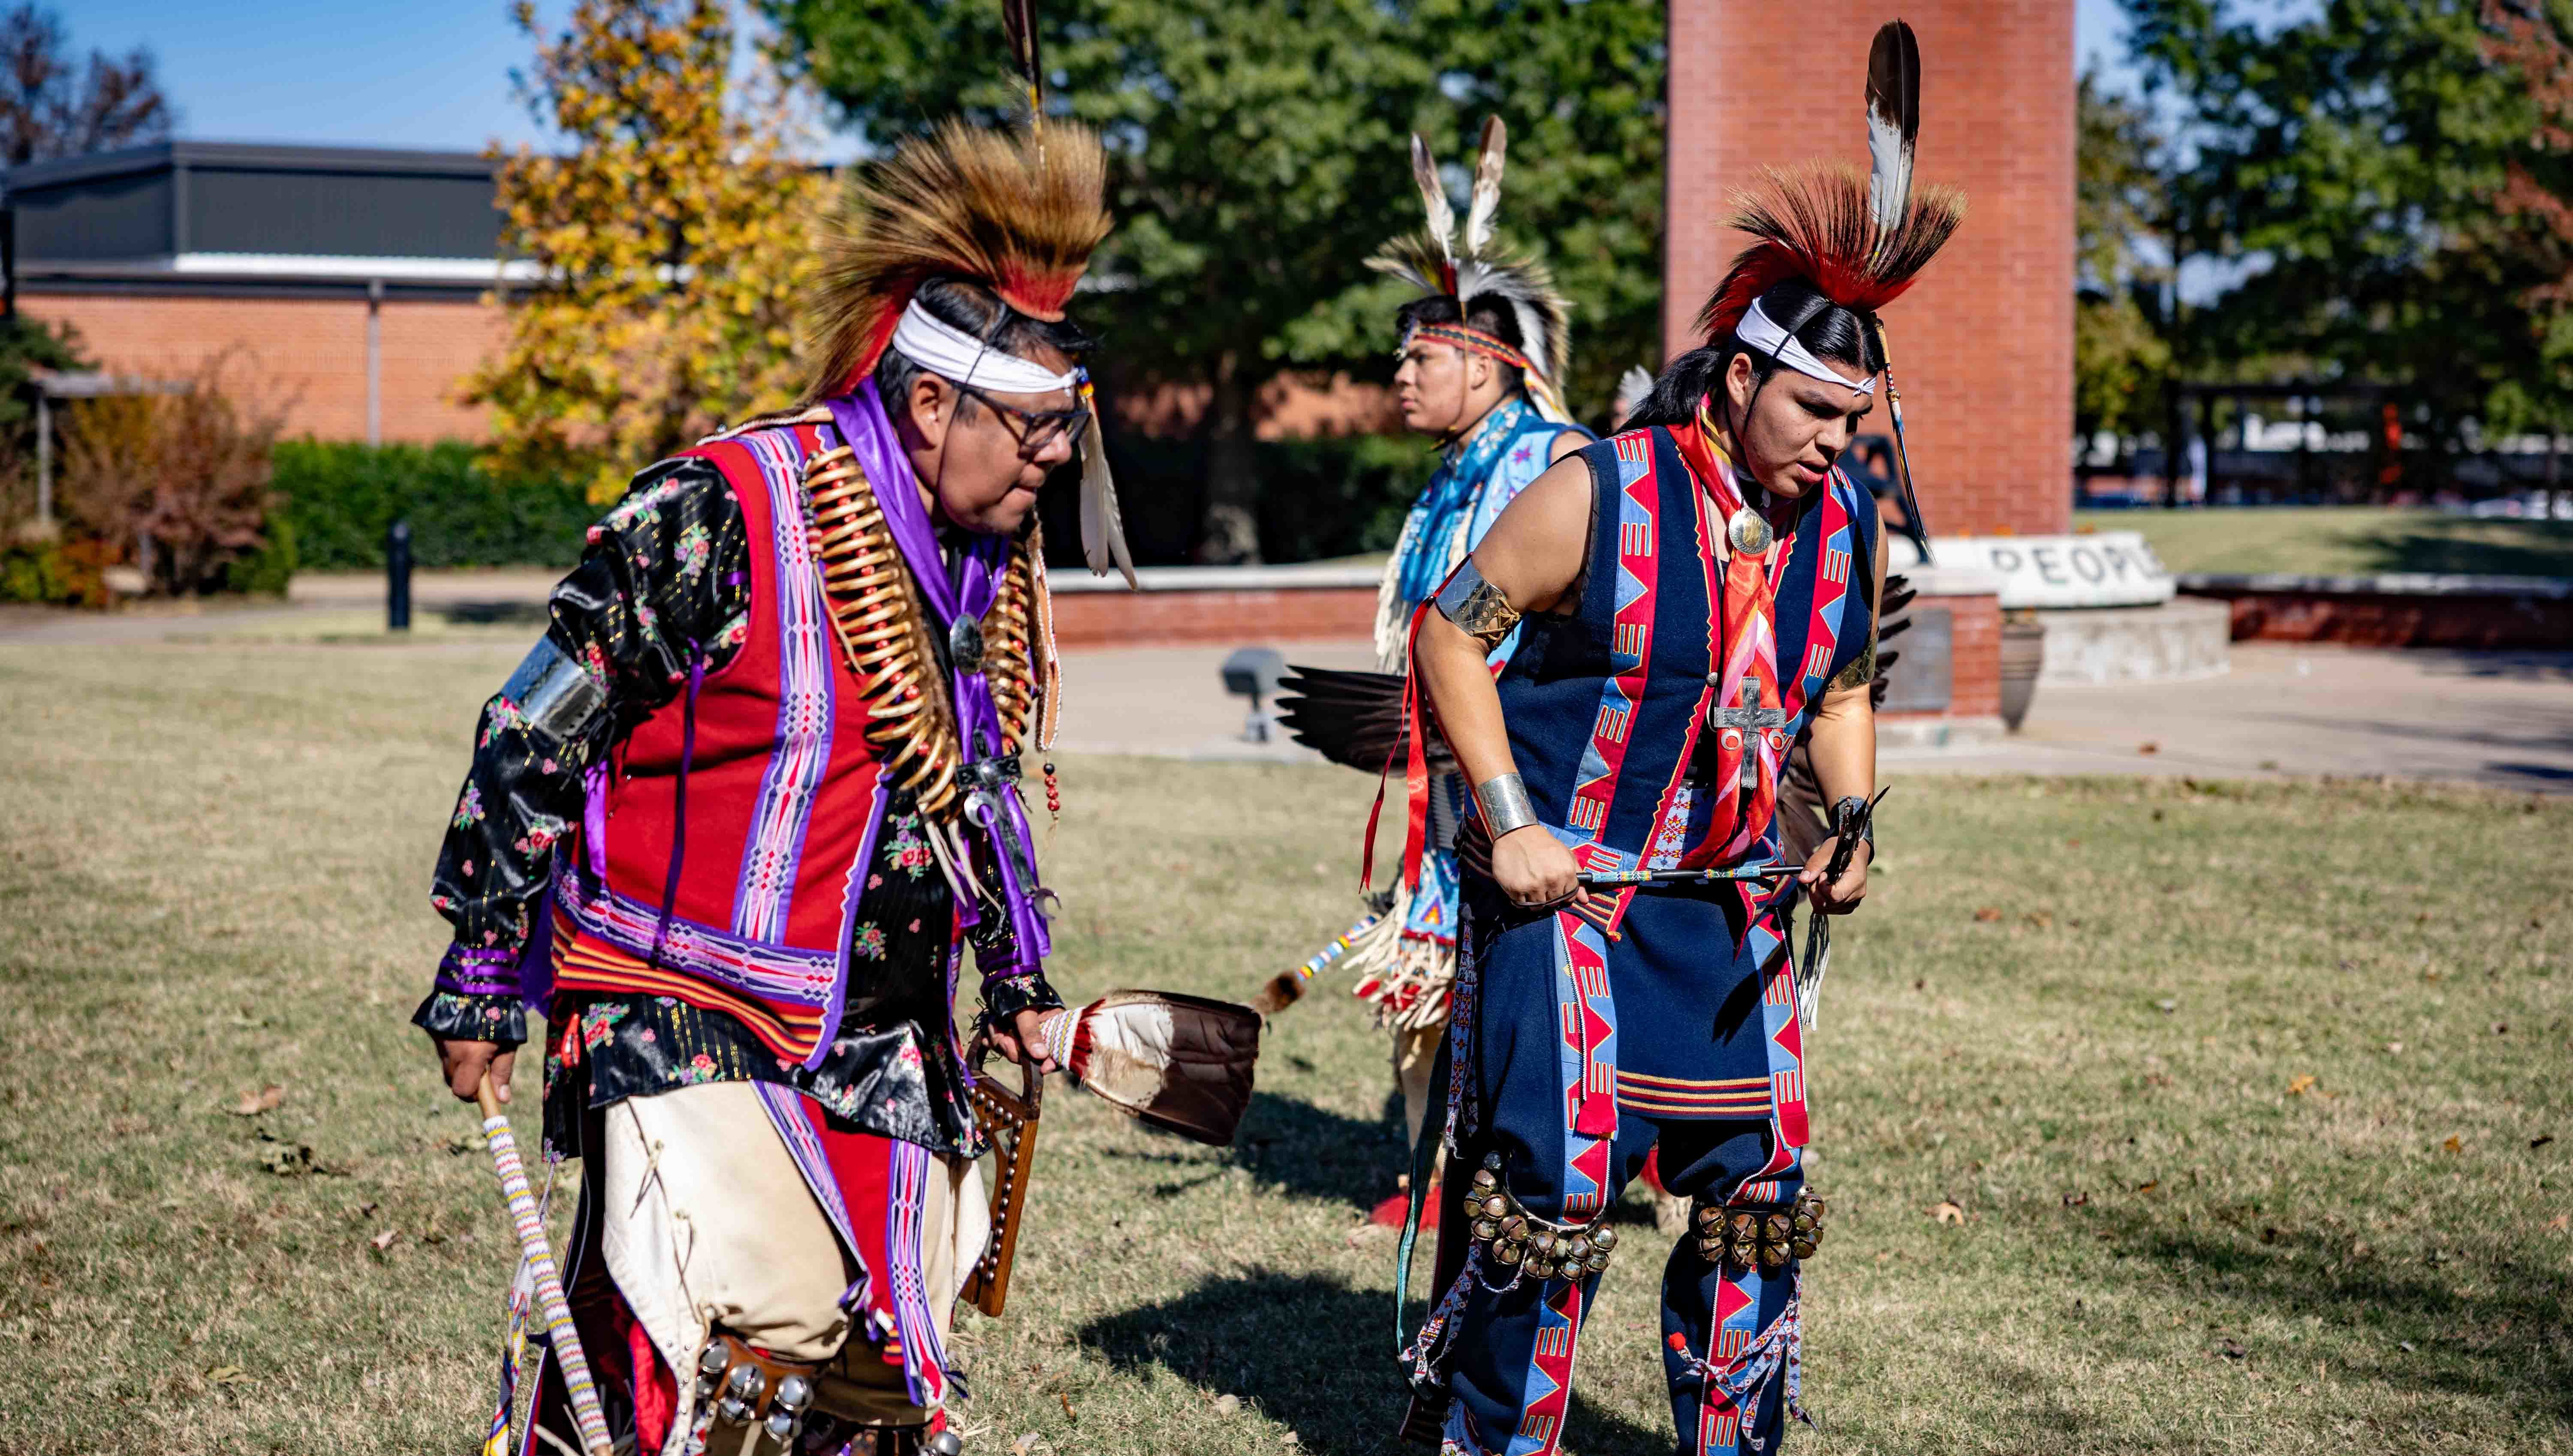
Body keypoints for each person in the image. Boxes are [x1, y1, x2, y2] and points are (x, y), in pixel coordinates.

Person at [412, 116, 1244, 1456]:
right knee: (727, 1324)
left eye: (1059, 437)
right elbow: (533, 729)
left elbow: (971, 787)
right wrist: (485, 970)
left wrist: (1020, 985)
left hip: (885, 1027)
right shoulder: (727, 508)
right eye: (1029, 435)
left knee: (869, 1373)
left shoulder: (988, 565)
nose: (1052, 466)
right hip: (683, 980)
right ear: (931, 404)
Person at [1385, 23, 1962, 1454]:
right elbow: (1454, 630)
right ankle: (1494, 1441)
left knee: (1763, 1197)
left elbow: (1834, 689)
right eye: (1818, 412)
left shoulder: (1844, 520)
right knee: (1557, 1191)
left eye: (1858, 418)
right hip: (1567, 890)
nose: (1839, 440)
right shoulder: (1601, 492)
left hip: (1730, 905)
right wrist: (1510, 819)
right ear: (1744, 378)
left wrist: (1848, 827)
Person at [1262, 119, 1589, 1200]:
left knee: (1521, 980)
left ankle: (1539, 1160)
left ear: (1494, 367)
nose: (1399, 373)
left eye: (1424, 356)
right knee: (1425, 973)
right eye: (1404, 355)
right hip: (1453, 783)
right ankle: (1434, 1176)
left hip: (1535, 778)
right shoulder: (1450, 476)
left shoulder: (1557, 463)